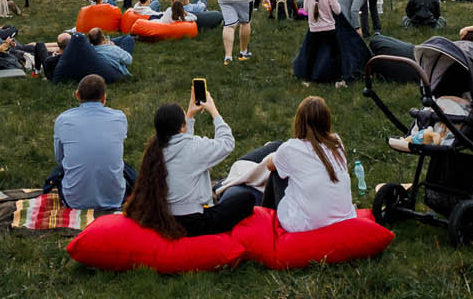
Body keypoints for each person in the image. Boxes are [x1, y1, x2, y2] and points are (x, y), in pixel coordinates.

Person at [123, 92, 252, 237]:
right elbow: (227, 143)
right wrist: (214, 111)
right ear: (182, 127)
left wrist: (189, 115)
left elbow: (183, 142)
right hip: (192, 223)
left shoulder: (154, 149)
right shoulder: (194, 147)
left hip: (162, 216)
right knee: (246, 198)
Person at [262, 97, 357, 232]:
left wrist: (274, 154)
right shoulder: (337, 142)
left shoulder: (290, 148)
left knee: (278, 172)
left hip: (307, 226)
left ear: (299, 121)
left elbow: (269, 165)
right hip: (345, 219)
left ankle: (264, 216)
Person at [49, 74, 134, 210]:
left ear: (77, 95)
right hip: (116, 198)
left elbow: (60, 159)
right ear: (104, 97)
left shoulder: (63, 120)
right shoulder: (119, 118)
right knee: (127, 169)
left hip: (74, 201)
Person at [301, 0, 343, 84]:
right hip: (329, 29)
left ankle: (307, 80)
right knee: (336, 54)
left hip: (314, 29)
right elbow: (338, 11)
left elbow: (305, 10)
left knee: (311, 54)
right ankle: (338, 79)